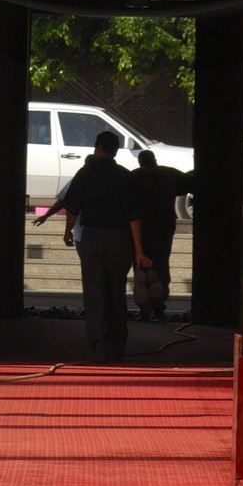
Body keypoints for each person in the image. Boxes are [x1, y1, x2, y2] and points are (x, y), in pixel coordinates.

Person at [58, 129, 149, 363]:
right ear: (116, 151)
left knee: (94, 291)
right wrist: (139, 251)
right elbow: (134, 216)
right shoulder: (125, 177)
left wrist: (68, 232)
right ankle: (117, 344)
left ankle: (98, 346)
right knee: (116, 291)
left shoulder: (86, 173)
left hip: (93, 238)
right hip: (120, 240)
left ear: (97, 147)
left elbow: (72, 208)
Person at [130, 148, 183, 319]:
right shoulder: (169, 174)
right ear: (155, 160)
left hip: (140, 228)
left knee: (140, 265)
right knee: (161, 263)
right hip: (164, 228)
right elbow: (190, 182)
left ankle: (144, 307)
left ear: (140, 162)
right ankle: (159, 305)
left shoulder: (133, 176)